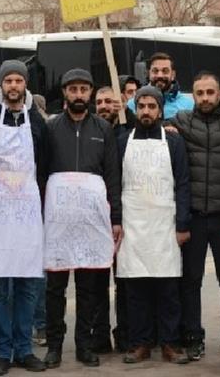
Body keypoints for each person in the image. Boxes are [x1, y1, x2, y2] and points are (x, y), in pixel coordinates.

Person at [42, 69, 121, 369]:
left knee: (88, 288)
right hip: (59, 221)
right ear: (64, 93)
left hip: (92, 221)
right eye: (72, 89)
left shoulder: (103, 128)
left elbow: (112, 174)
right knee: (55, 289)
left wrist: (116, 218)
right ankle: (54, 346)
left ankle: (84, 345)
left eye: (83, 89)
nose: (78, 94)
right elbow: (42, 172)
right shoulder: (51, 128)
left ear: (90, 93)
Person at [0, 61, 48, 375]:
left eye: (19, 80)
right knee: (0, 290)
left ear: (26, 84)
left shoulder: (38, 120)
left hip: (29, 213)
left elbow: (43, 165)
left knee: (28, 288)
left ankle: (25, 349)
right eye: (9, 80)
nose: (14, 86)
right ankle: (3, 351)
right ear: (1, 85)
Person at [168, 72, 220, 362]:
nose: (205, 98)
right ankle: (193, 337)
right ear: (193, 95)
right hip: (195, 216)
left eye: (210, 92)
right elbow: (155, 125)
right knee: (191, 281)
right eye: (199, 93)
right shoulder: (183, 121)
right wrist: (165, 126)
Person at [117, 86, 191, 365]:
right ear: (135, 109)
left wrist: (182, 223)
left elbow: (183, 184)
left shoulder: (174, 142)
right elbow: (116, 183)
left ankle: (170, 343)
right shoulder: (123, 141)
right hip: (132, 225)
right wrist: (117, 221)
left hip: (165, 225)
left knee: (168, 290)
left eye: (152, 106)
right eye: (142, 106)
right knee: (136, 291)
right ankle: (140, 343)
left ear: (160, 110)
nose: (146, 111)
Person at [93, 85, 134, 352]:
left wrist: (127, 116)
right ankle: (99, 337)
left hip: (124, 217)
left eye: (110, 101)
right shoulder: (90, 129)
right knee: (96, 282)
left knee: (124, 281)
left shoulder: (125, 131)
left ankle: (126, 334)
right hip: (94, 217)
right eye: (100, 102)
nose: (105, 106)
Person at [127, 53, 194, 118]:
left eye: (165, 71)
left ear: (173, 75)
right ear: (148, 73)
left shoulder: (188, 105)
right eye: (155, 71)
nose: (160, 75)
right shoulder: (132, 104)